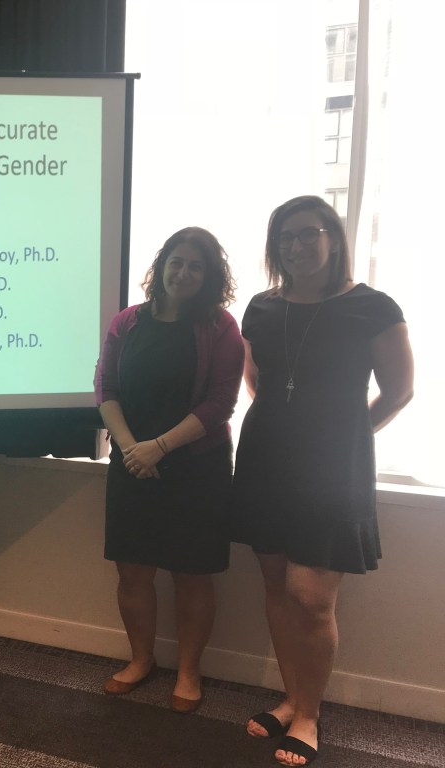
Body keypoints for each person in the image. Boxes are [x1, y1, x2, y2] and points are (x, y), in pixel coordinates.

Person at [232, 195, 414, 767]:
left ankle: (309, 714)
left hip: (335, 466)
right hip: (266, 459)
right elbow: (256, 378)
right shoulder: (261, 308)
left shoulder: (373, 306)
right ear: (274, 246)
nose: (298, 245)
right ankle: (289, 699)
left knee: (310, 595)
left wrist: (348, 434)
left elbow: (401, 388)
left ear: (333, 239)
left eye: (309, 233)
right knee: (274, 581)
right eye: (286, 236)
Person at [93, 227, 244, 714]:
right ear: (161, 267)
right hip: (132, 462)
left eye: (195, 266)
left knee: (192, 575)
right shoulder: (126, 322)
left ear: (210, 276)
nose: (183, 273)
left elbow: (222, 403)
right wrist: (133, 448)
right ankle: (141, 661)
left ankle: (188, 671)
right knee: (132, 570)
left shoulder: (222, 328)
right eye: (176, 262)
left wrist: (158, 447)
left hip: (196, 468)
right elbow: (105, 390)